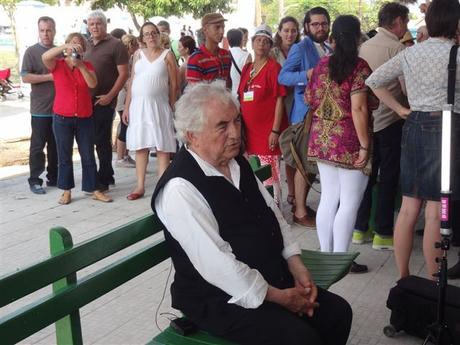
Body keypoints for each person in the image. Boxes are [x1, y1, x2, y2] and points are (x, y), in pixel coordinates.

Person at [152, 81, 352, 345]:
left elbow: (273, 215)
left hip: (269, 278)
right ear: (192, 135)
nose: (235, 133)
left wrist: (296, 264)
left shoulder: (236, 164)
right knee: (301, 339)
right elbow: (218, 266)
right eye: (222, 126)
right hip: (220, 298)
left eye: (236, 121)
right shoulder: (180, 187)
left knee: (338, 313)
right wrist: (283, 298)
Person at [365, 0, 460, 279]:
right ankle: (432, 280)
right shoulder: (457, 55)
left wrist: (400, 109)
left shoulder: (411, 53)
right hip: (446, 128)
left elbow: (373, 81)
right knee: (434, 209)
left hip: (414, 124)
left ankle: (404, 277)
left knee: (408, 207)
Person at [306, 15, 375, 273]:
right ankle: (340, 261)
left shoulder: (322, 65)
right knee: (348, 202)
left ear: (333, 36)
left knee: (329, 198)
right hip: (349, 141)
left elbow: (310, 98)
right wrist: (365, 146)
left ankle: (326, 254)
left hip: (322, 140)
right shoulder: (359, 67)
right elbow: (359, 109)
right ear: (357, 37)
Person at [354, 2, 410, 251]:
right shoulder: (397, 49)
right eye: (406, 22)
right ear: (397, 21)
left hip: (365, 123)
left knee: (365, 176)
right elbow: (406, 88)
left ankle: (359, 229)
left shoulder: (363, 46)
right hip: (390, 121)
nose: (406, 28)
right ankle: (383, 233)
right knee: (388, 178)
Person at [41, 33, 112, 204]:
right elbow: (45, 56)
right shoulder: (57, 65)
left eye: (79, 45)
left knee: (88, 154)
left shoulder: (87, 65)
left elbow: (93, 84)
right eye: (73, 44)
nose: (75, 47)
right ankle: (66, 191)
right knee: (64, 156)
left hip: (84, 117)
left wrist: (80, 66)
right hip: (62, 118)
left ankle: (94, 189)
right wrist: (65, 47)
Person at [279, 7, 331, 228]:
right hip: (304, 116)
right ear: (307, 26)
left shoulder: (328, 47)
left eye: (324, 24)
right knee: (303, 164)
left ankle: (301, 205)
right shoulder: (301, 48)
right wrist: (306, 75)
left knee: (312, 164)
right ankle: (300, 211)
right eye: (315, 24)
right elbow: (284, 77)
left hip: (323, 116)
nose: (320, 28)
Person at [122, 22, 177, 200]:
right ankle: (140, 186)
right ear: (142, 38)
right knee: (141, 145)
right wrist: (127, 106)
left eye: (153, 33)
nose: (151, 36)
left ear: (158, 35)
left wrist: (171, 105)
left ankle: (161, 186)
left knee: (162, 146)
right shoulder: (137, 55)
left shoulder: (167, 55)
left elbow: (174, 85)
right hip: (139, 106)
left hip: (159, 105)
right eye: (146, 34)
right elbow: (132, 82)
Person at [238, 25, 288, 206]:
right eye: (258, 40)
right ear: (251, 43)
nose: (261, 44)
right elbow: (242, 96)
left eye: (266, 41)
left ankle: (276, 215)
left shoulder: (274, 68)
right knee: (252, 176)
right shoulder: (247, 68)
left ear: (270, 46)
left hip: (267, 134)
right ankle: (258, 212)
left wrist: (275, 130)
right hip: (248, 134)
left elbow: (280, 100)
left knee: (270, 178)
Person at [84, 10, 129, 191]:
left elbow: (124, 74)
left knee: (101, 140)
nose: (95, 27)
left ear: (105, 25)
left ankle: (104, 179)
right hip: (85, 101)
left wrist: (110, 96)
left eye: (98, 23)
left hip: (103, 100)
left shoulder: (116, 45)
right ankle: (106, 175)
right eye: (92, 24)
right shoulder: (85, 44)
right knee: (90, 140)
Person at [21, 16, 58, 195]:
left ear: (54, 31)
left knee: (56, 145)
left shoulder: (59, 52)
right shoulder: (31, 52)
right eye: (42, 30)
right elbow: (25, 77)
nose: (46, 33)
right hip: (40, 110)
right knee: (37, 147)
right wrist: (49, 77)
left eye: (49, 30)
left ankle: (54, 177)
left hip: (59, 109)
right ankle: (35, 180)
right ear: (38, 31)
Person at [271, 16, 300, 207]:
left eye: (293, 30)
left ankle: (294, 193)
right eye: (286, 30)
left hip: (297, 105)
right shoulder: (272, 53)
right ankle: (280, 194)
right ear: (279, 31)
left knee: (294, 150)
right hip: (278, 105)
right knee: (280, 150)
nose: (290, 34)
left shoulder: (301, 50)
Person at [186, 13, 231, 88]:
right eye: (217, 27)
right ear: (205, 30)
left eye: (223, 27)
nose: (222, 31)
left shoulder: (226, 55)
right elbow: (194, 93)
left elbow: (228, 83)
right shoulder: (196, 59)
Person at [115, 34, 139, 168]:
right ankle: (120, 157)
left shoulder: (129, 58)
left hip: (127, 96)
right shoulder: (125, 60)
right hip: (123, 98)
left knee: (127, 125)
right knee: (124, 126)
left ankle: (125, 154)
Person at [227, 28, 251, 97]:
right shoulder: (247, 55)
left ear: (228, 41)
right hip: (244, 94)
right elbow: (249, 78)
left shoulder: (226, 54)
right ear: (241, 39)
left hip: (231, 94)